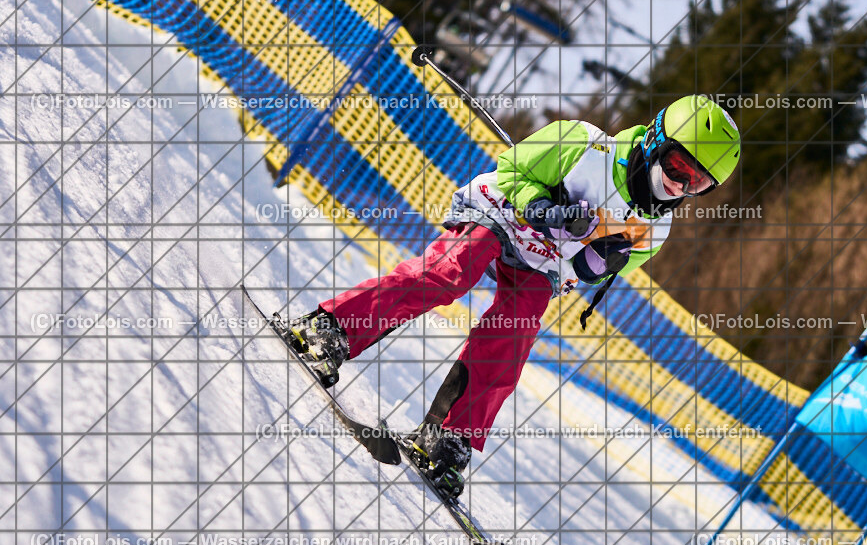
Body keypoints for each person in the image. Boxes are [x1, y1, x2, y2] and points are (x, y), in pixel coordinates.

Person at [288, 95, 740, 497]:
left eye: (697, 183)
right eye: (678, 168)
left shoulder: (655, 228)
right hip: (502, 213)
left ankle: (448, 435)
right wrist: (541, 206)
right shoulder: (584, 144)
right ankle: (330, 328)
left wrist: (598, 260)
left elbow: (587, 271)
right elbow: (512, 171)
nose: (679, 187)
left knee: (516, 330)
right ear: (657, 139)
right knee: (450, 272)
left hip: (544, 260)